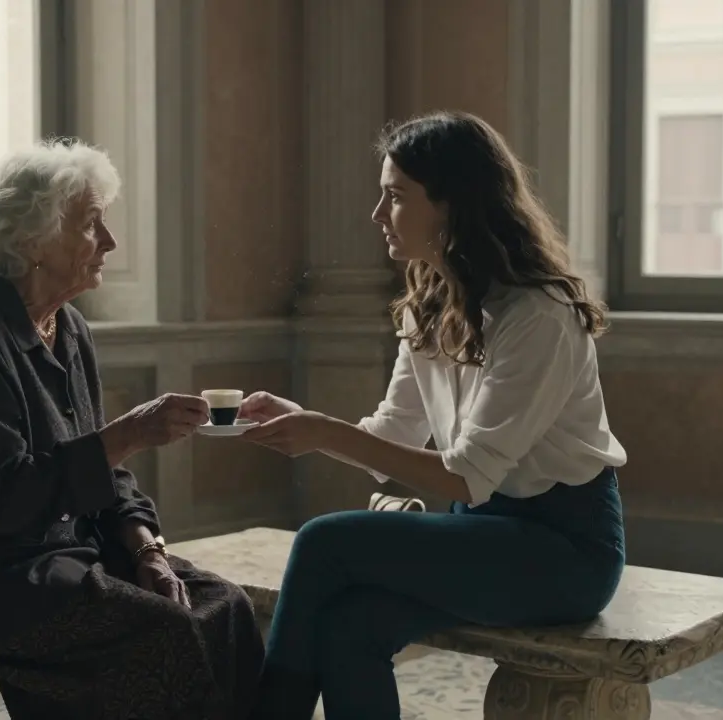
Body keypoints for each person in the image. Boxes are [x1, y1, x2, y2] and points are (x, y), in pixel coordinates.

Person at [237, 111, 628, 720]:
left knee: (323, 540)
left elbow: (465, 476)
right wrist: (306, 424)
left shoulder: (537, 316)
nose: (377, 215)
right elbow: (390, 434)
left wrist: (325, 434)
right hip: (484, 532)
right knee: (348, 625)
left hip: (564, 551)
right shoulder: (429, 306)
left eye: (395, 197)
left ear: (454, 206)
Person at [0, 138, 264, 720]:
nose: (109, 242)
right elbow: (6, 501)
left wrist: (147, 553)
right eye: (92, 224)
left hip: (65, 557)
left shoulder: (68, 326)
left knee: (222, 606)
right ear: (33, 241)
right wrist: (132, 431)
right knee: (160, 634)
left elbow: (104, 472)